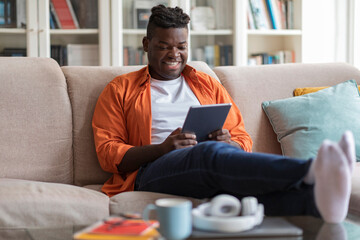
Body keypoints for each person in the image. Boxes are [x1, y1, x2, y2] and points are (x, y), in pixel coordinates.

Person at [92, 4, 355, 223]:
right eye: (164, 46)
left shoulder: (206, 84)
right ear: (146, 44)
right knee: (207, 154)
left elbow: (243, 140)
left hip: (208, 164)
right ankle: (312, 169)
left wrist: (229, 142)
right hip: (150, 171)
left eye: (181, 46)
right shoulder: (120, 89)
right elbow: (108, 154)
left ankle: (317, 203)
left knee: (239, 193)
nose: (174, 54)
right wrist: (161, 149)